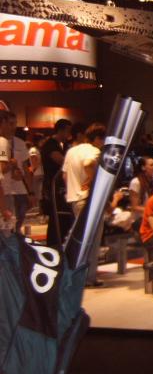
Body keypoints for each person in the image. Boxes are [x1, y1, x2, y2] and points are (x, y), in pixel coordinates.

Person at [62, 122, 106, 286]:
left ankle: (77, 275)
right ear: (98, 139)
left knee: (80, 240)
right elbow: (88, 164)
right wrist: (91, 181)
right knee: (92, 242)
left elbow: (65, 176)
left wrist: (76, 187)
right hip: (89, 200)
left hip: (75, 199)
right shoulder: (94, 151)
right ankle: (89, 278)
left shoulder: (71, 151)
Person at [0, 111, 34, 235]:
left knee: (14, 228)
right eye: (10, 123)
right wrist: (11, 164)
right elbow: (3, 168)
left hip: (19, 190)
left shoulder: (19, 143)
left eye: (15, 124)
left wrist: (31, 192)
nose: (13, 127)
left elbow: (26, 169)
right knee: (9, 232)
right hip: (5, 191)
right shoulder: (2, 142)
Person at [40, 118, 72, 246]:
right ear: (61, 130)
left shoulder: (63, 145)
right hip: (52, 186)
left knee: (62, 217)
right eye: (68, 131)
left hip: (61, 186)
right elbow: (61, 161)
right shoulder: (50, 145)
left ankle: (61, 242)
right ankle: (53, 244)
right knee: (55, 217)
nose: (69, 134)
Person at [128, 156, 153, 233]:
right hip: (140, 217)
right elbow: (135, 207)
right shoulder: (135, 182)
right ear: (143, 168)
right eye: (151, 165)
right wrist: (152, 210)